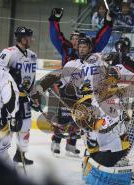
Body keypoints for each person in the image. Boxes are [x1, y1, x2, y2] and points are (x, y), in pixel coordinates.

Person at [48, 8, 113, 155]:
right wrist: (54, 20)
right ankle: (56, 141)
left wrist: (108, 23)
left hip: (83, 92)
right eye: (73, 38)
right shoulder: (67, 51)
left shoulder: (92, 53)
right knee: (63, 118)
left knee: (78, 121)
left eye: (78, 39)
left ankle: (71, 144)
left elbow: (102, 39)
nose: (75, 42)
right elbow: (55, 37)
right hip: (68, 90)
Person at [0, 26, 40, 165]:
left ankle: (20, 154)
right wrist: (10, 76)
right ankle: (2, 156)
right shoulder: (8, 53)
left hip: (25, 98)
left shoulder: (32, 55)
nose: (31, 39)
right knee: (10, 127)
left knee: (25, 127)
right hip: (11, 98)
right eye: (29, 37)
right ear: (22, 38)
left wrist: (34, 96)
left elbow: (32, 78)